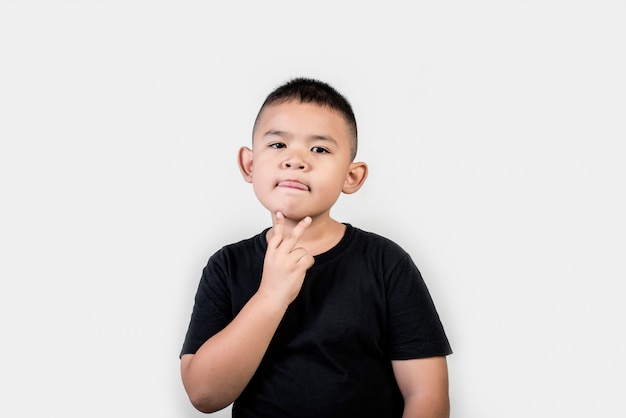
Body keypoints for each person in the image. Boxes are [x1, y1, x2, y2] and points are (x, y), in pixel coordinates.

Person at [180, 77, 452, 417]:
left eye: (319, 149)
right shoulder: (226, 265)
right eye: (278, 145)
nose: (295, 160)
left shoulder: (387, 263)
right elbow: (204, 395)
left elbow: (426, 393)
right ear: (249, 164)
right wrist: (271, 296)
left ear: (351, 177)